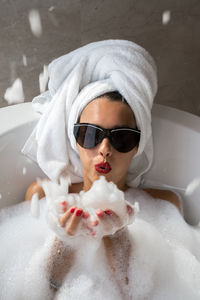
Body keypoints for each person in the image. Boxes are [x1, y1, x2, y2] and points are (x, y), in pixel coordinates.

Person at [23, 40, 182, 296]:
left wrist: (117, 236)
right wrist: (65, 243)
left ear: (137, 146)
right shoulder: (41, 197)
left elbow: (151, 292)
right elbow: (38, 293)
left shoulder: (166, 205)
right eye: (89, 135)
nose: (104, 149)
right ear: (74, 140)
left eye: (121, 137)